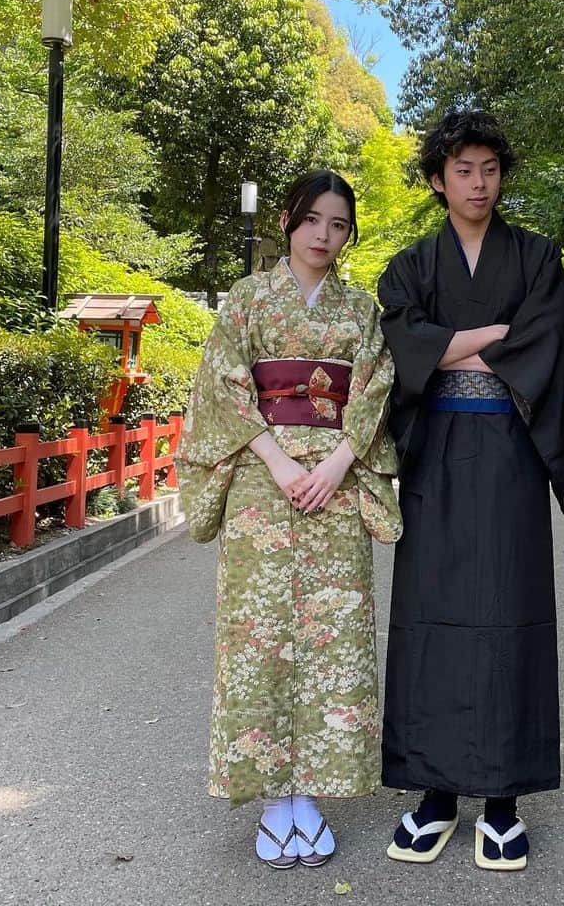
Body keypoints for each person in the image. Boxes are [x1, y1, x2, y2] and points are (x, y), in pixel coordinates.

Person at [177, 170, 401, 870]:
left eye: (338, 225)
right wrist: (276, 461)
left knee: (334, 636)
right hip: (259, 480)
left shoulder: (359, 310)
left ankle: (312, 795)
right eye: (313, 221)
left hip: (335, 478)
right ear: (287, 222)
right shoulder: (248, 300)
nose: (324, 237)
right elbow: (222, 381)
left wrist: (337, 463)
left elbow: (373, 387)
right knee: (259, 634)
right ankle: (275, 799)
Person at [377, 110, 564, 871]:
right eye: (463, 170)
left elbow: (541, 342)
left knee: (510, 613)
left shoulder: (536, 257)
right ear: (438, 179)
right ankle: (432, 794)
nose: (478, 183)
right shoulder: (411, 264)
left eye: (490, 168)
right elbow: (400, 342)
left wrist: (450, 346)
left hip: (511, 454)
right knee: (429, 615)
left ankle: (502, 801)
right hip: (436, 454)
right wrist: (491, 335)